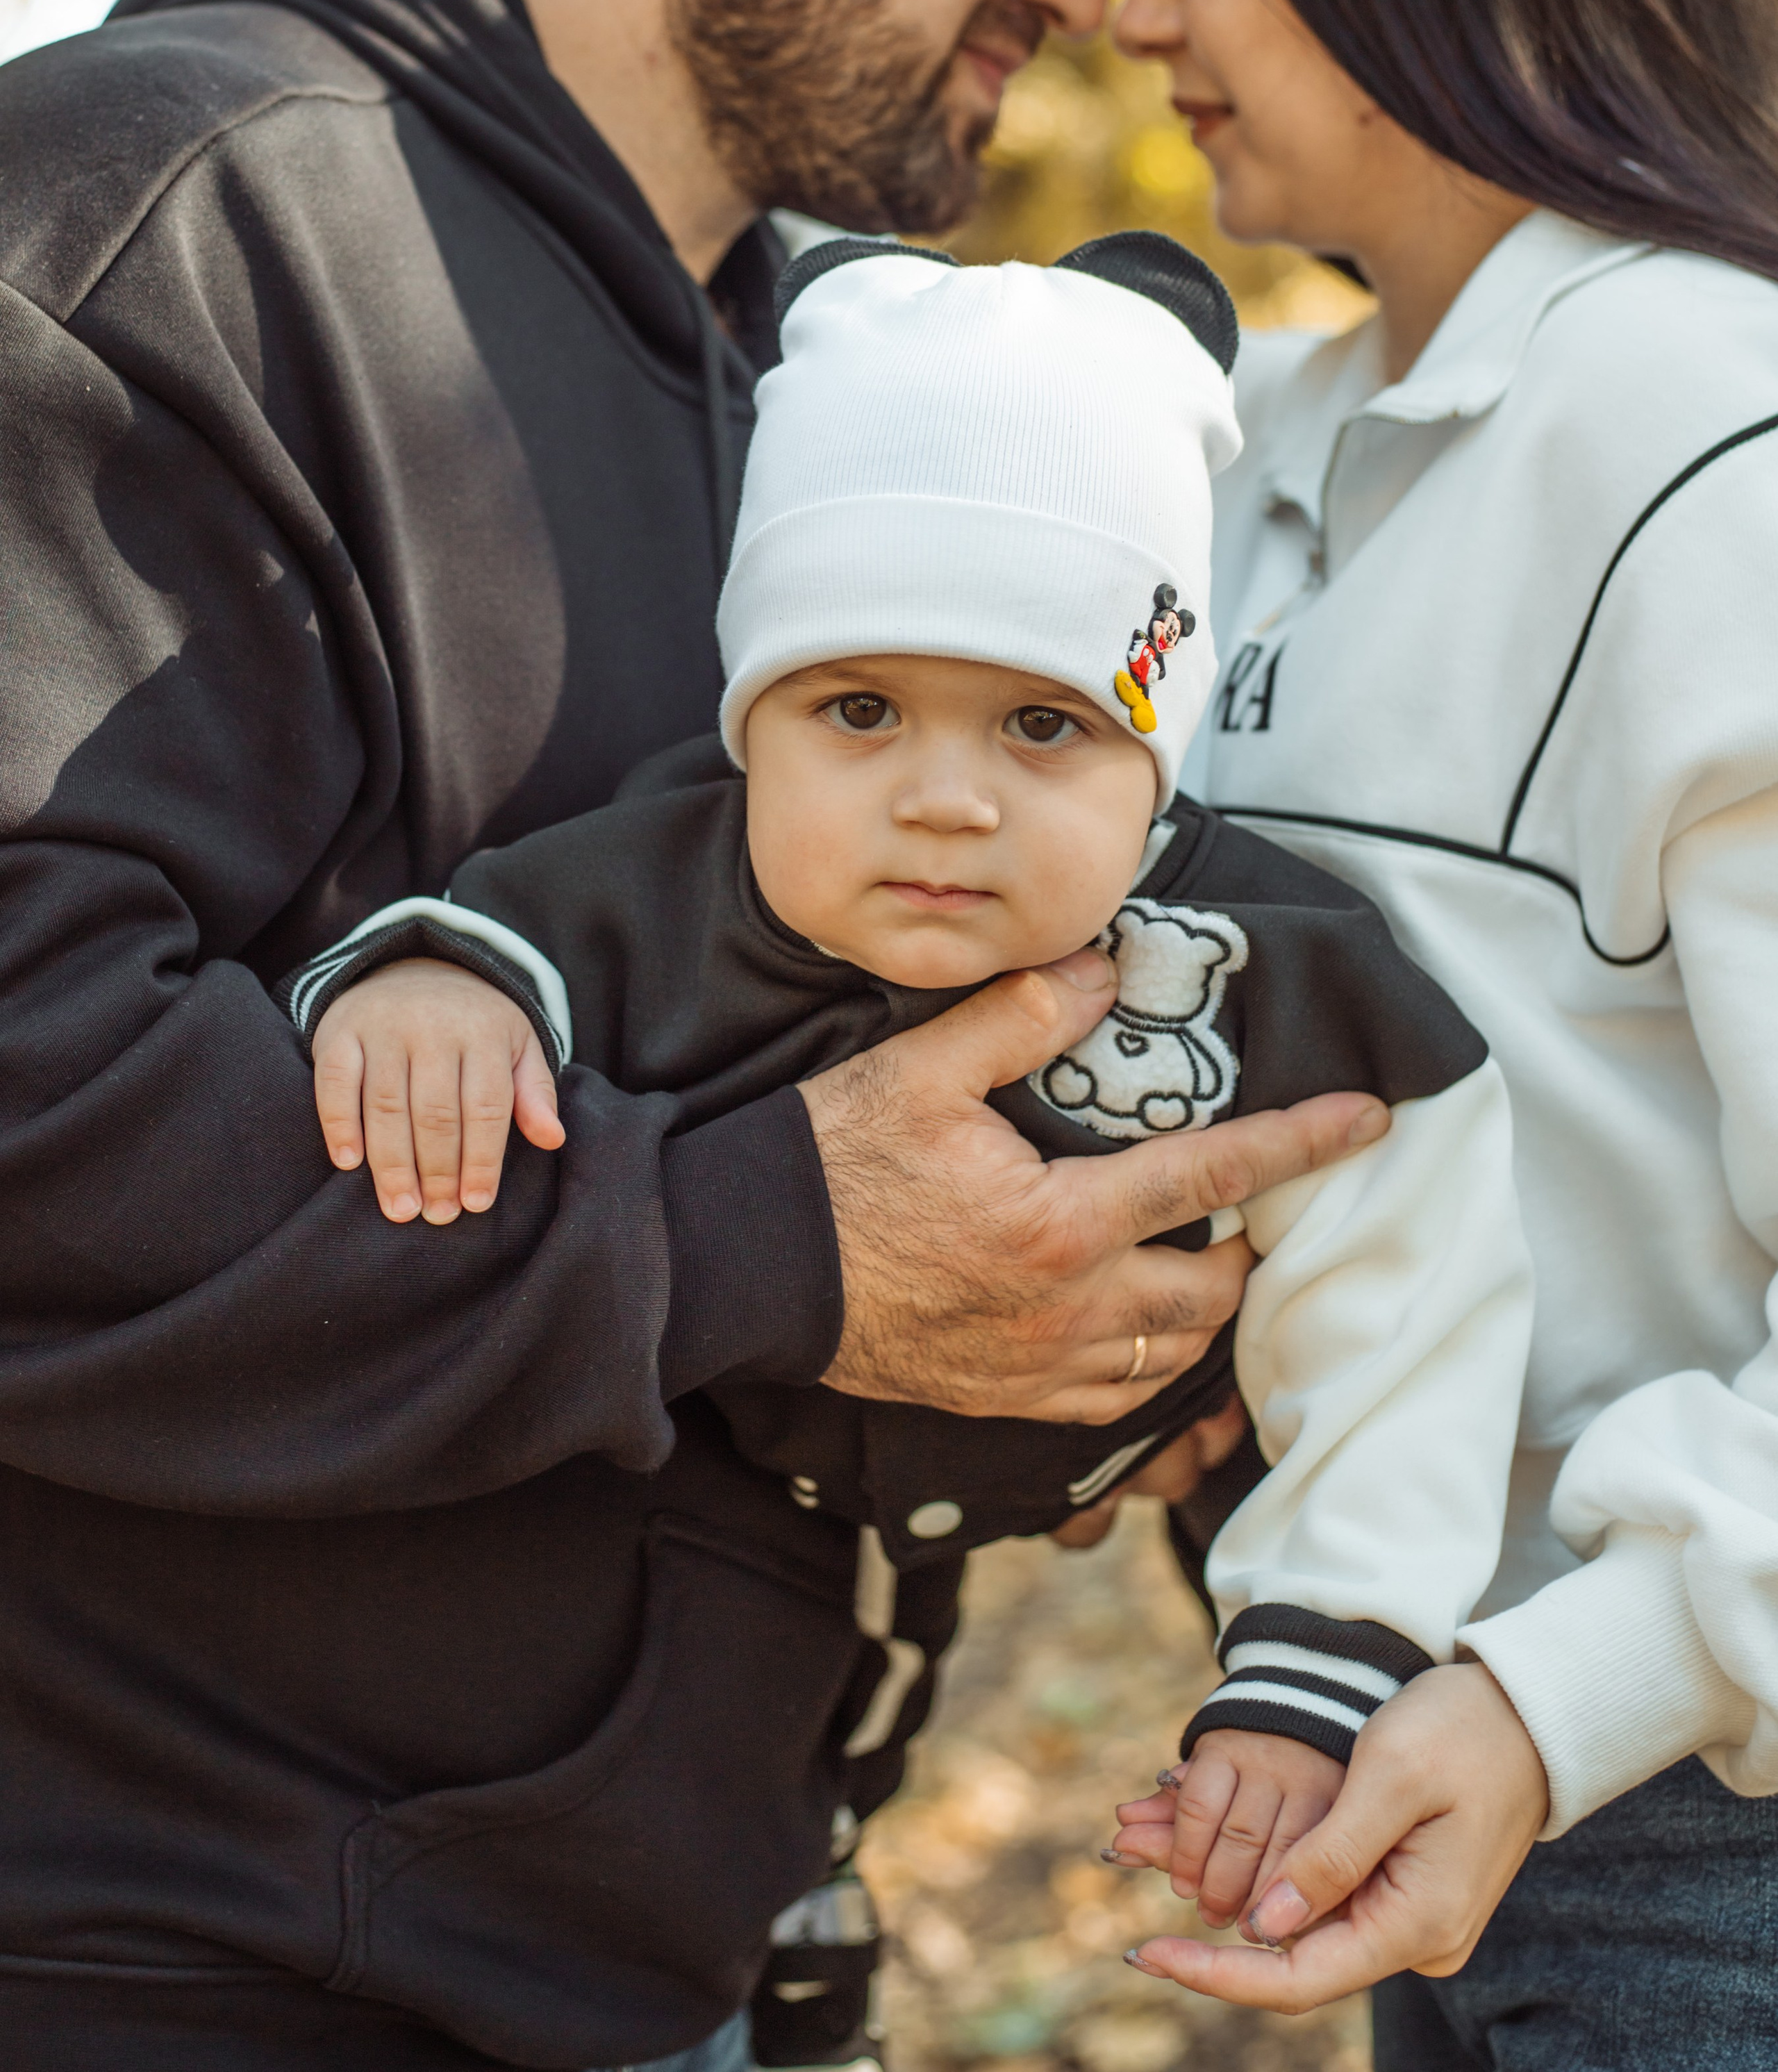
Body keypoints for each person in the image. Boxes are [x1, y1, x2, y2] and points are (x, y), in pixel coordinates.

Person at [0, 0, 1382, 2072]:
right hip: (185, 1971)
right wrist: (768, 1235)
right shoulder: (144, 213)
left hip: (664, 1975)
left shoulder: (820, 380)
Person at [279, 231, 1529, 1948]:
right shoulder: (665, 880)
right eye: (859, 707)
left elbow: (1411, 1310)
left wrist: (1316, 1652)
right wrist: (431, 987)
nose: (944, 800)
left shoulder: (1280, 963)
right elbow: (508, 930)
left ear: (1153, 742)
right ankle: (790, 1924)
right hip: (731, 1522)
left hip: (1092, 1470)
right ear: (752, 726)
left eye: (1041, 725)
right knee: (778, 1749)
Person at [1099, 0, 1778, 2067]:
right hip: (1426, 1788)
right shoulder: (1255, 454)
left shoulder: (1718, 447)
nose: (1140, 8)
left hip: (1702, 1840)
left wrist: (1560, 1687)